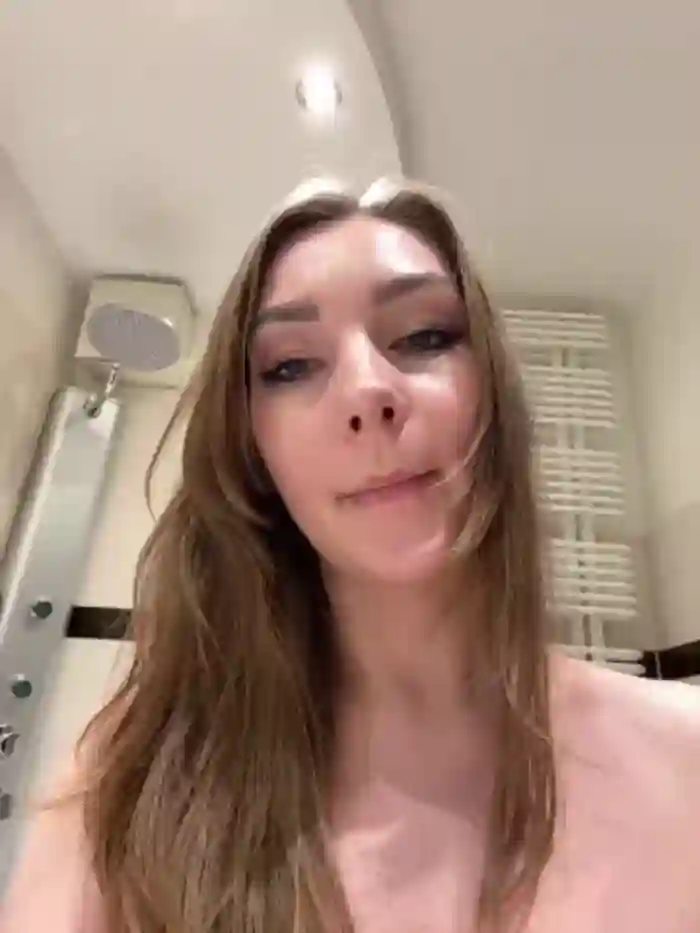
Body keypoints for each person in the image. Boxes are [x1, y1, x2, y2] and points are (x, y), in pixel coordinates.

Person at [2, 178, 700, 933]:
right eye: (291, 366)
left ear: (494, 398)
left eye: (424, 336)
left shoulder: (685, 753)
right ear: (255, 455)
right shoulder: (135, 777)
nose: (367, 390)